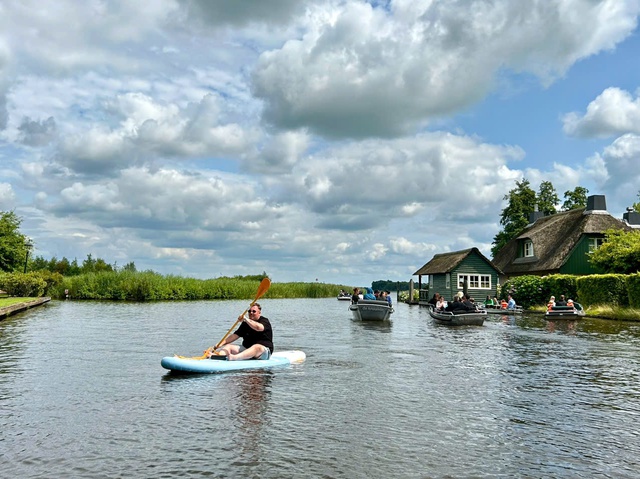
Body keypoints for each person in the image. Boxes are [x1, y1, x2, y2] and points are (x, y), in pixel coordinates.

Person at [208, 303, 273, 361]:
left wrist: (245, 319)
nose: (251, 313)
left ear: (259, 312)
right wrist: (220, 344)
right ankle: (218, 357)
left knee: (256, 347)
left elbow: (258, 328)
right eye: (249, 311)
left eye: (254, 311)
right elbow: (235, 336)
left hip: (263, 352)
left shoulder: (264, 321)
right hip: (247, 349)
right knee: (228, 347)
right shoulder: (245, 324)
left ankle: (235, 358)